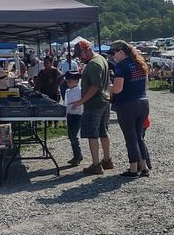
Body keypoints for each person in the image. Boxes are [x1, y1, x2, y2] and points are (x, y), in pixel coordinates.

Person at [108, 40, 151, 178]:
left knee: (130, 137)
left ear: (121, 51)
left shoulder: (121, 66)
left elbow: (117, 89)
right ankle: (143, 167)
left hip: (127, 104)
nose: (113, 56)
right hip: (143, 102)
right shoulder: (139, 64)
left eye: (114, 53)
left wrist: (106, 86)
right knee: (139, 136)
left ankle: (133, 169)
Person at [71, 40, 114, 175]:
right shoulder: (101, 59)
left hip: (94, 103)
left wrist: (81, 101)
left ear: (87, 49)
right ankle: (107, 160)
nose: (80, 58)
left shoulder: (94, 64)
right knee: (103, 131)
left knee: (92, 133)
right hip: (104, 101)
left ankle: (96, 165)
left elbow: (95, 86)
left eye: (81, 54)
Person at [64, 71, 84, 166]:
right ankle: (77, 155)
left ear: (76, 81)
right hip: (70, 115)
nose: (68, 83)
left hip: (78, 115)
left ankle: (78, 156)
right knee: (70, 135)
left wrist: (78, 105)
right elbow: (66, 103)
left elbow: (82, 102)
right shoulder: (67, 91)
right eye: (67, 81)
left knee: (73, 135)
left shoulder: (80, 90)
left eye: (70, 81)